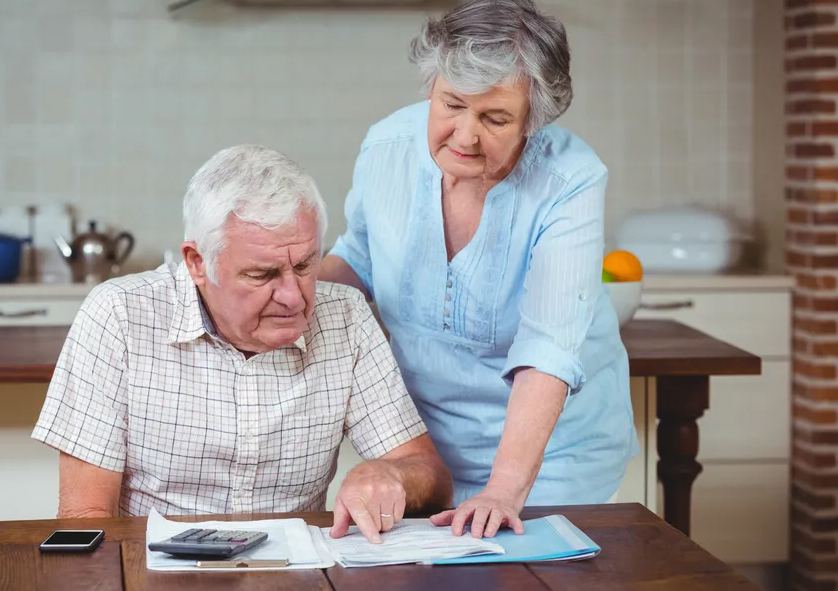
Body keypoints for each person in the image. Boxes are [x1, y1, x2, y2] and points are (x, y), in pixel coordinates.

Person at [319, 0, 638, 539]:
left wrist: (504, 489)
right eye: (452, 105)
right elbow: (359, 259)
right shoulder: (386, 148)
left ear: (532, 121)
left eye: (495, 118)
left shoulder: (570, 181)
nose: (465, 136)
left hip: (548, 461)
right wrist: (279, 291)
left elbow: (549, 348)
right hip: (423, 453)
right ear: (431, 88)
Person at [32, 144, 453, 543]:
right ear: (198, 263)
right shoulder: (120, 315)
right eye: (262, 274)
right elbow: (85, 519)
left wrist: (394, 476)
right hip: (154, 572)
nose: (293, 296)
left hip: (294, 576)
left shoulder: (345, 316)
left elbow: (431, 477)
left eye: (305, 265)